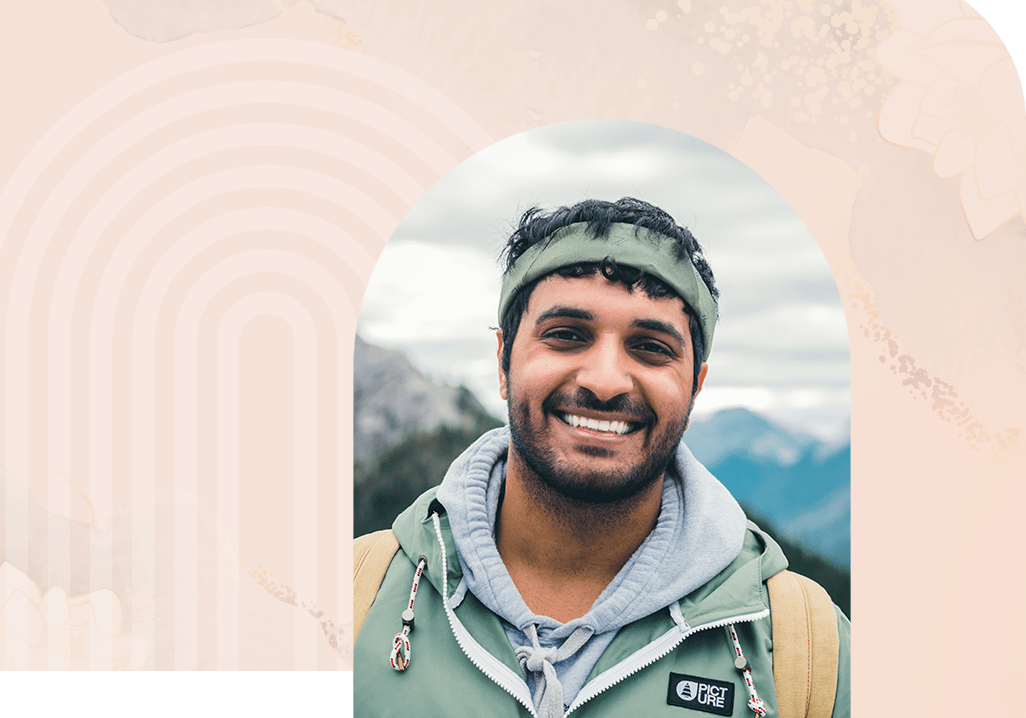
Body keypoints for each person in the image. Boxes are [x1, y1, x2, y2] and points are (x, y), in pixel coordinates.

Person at [353, 197, 851, 717]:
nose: (606, 381)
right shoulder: (349, 598)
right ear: (503, 362)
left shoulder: (811, 651)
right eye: (567, 336)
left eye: (651, 346)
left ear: (695, 386)